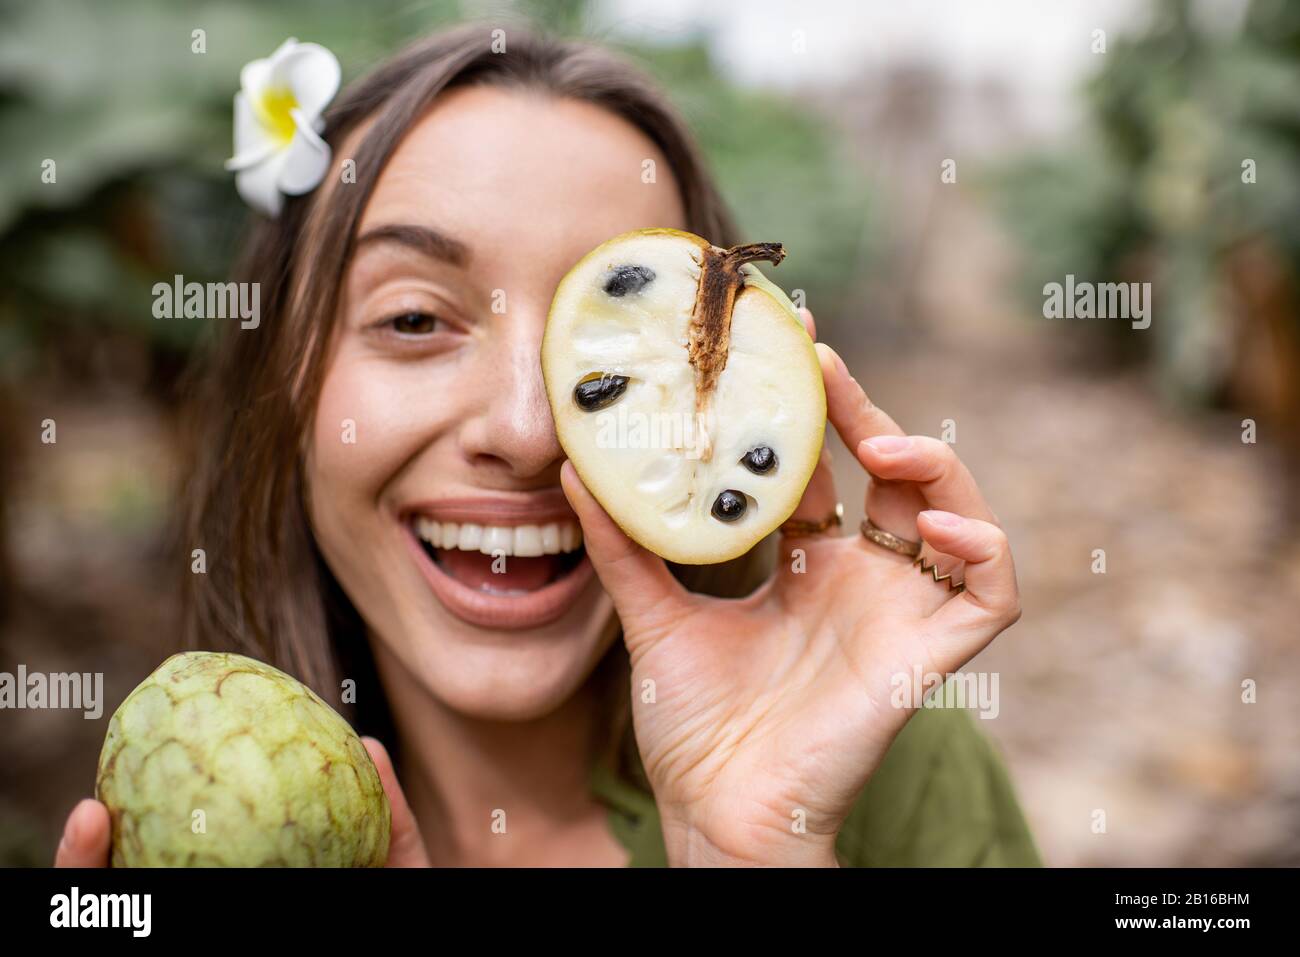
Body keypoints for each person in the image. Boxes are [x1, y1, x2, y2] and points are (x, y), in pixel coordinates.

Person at [56, 23, 1039, 867]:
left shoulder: (887, 765)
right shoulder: (174, 824)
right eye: (412, 320)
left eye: (617, 346)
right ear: (283, 383)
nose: (527, 433)